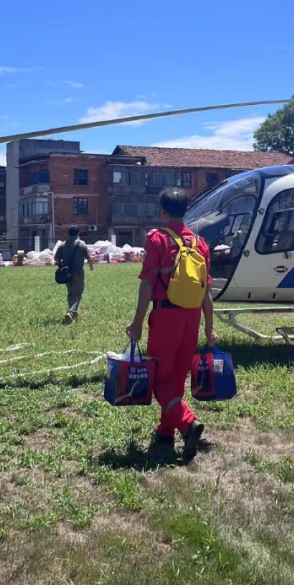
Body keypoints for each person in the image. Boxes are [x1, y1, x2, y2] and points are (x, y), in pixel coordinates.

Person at [126, 188, 217, 462]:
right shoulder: (200, 243)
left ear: (163, 212)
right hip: (192, 318)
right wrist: (209, 328)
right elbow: (207, 292)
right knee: (176, 378)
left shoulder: (157, 239)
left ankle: (189, 423)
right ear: (185, 211)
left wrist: (138, 322)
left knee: (157, 381)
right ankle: (166, 430)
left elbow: (146, 284)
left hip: (166, 317)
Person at [55, 226, 94, 324]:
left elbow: (56, 258)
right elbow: (89, 258)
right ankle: (71, 312)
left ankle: (72, 315)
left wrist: (61, 265)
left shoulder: (62, 245)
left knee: (71, 293)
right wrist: (91, 266)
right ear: (78, 234)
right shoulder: (81, 244)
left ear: (68, 233)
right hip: (78, 274)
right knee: (77, 294)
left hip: (67, 275)